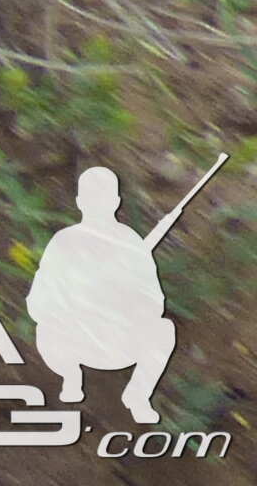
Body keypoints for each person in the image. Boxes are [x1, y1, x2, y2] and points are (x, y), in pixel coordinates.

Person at [29, 167, 181, 422]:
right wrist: (73, 306)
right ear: (80, 202)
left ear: (116, 202)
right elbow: (38, 301)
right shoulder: (64, 241)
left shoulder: (131, 243)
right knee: (45, 330)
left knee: (163, 330)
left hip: (116, 340)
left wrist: (124, 298)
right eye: (91, 198)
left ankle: (138, 396)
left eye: (104, 197)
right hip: (72, 339)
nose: (98, 204)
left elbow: (155, 302)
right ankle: (71, 377)